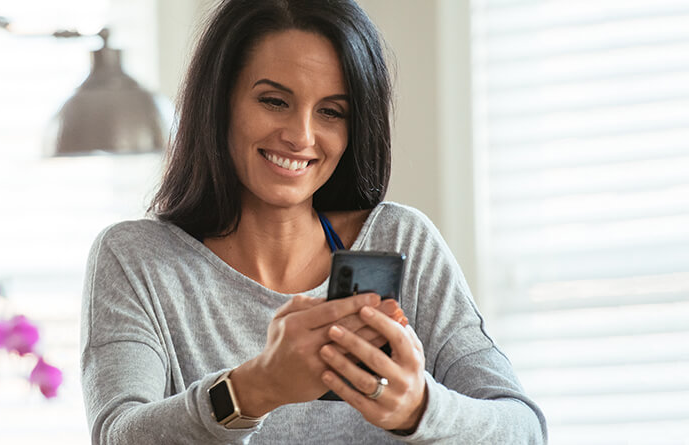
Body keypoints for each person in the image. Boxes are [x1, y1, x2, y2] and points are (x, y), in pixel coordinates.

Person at [79, 0, 547, 443]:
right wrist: (256, 388)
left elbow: (522, 429)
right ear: (220, 103)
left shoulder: (401, 239)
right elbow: (118, 434)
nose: (301, 136)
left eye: (330, 112)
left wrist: (417, 408)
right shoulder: (135, 258)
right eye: (274, 101)